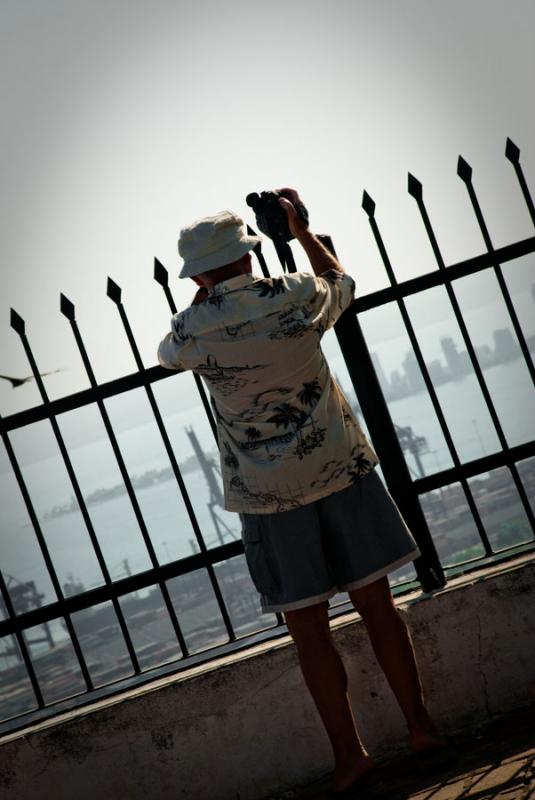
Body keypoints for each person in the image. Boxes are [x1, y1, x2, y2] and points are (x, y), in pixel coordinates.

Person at [157, 189, 451, 797]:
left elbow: (167, 354)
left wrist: (209, 291)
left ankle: (351, 757)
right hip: (340, 470)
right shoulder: (296, 294)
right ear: (250, 253)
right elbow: (341, 281)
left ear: (199, 274)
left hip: (268, 498)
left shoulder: (193, 327)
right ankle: (420, 729)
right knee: (378, 607)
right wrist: (301, 231)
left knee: (308, 630)